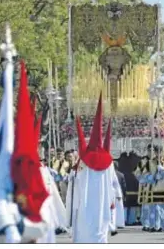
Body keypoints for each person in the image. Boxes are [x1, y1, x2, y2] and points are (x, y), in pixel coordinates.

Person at [66, 94, 115, 243]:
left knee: (84, 233)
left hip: (84, 208)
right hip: (102, 207)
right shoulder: (109, 163)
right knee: (100, 232)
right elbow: (113, 186)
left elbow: (75, 184)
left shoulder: (83, 162)